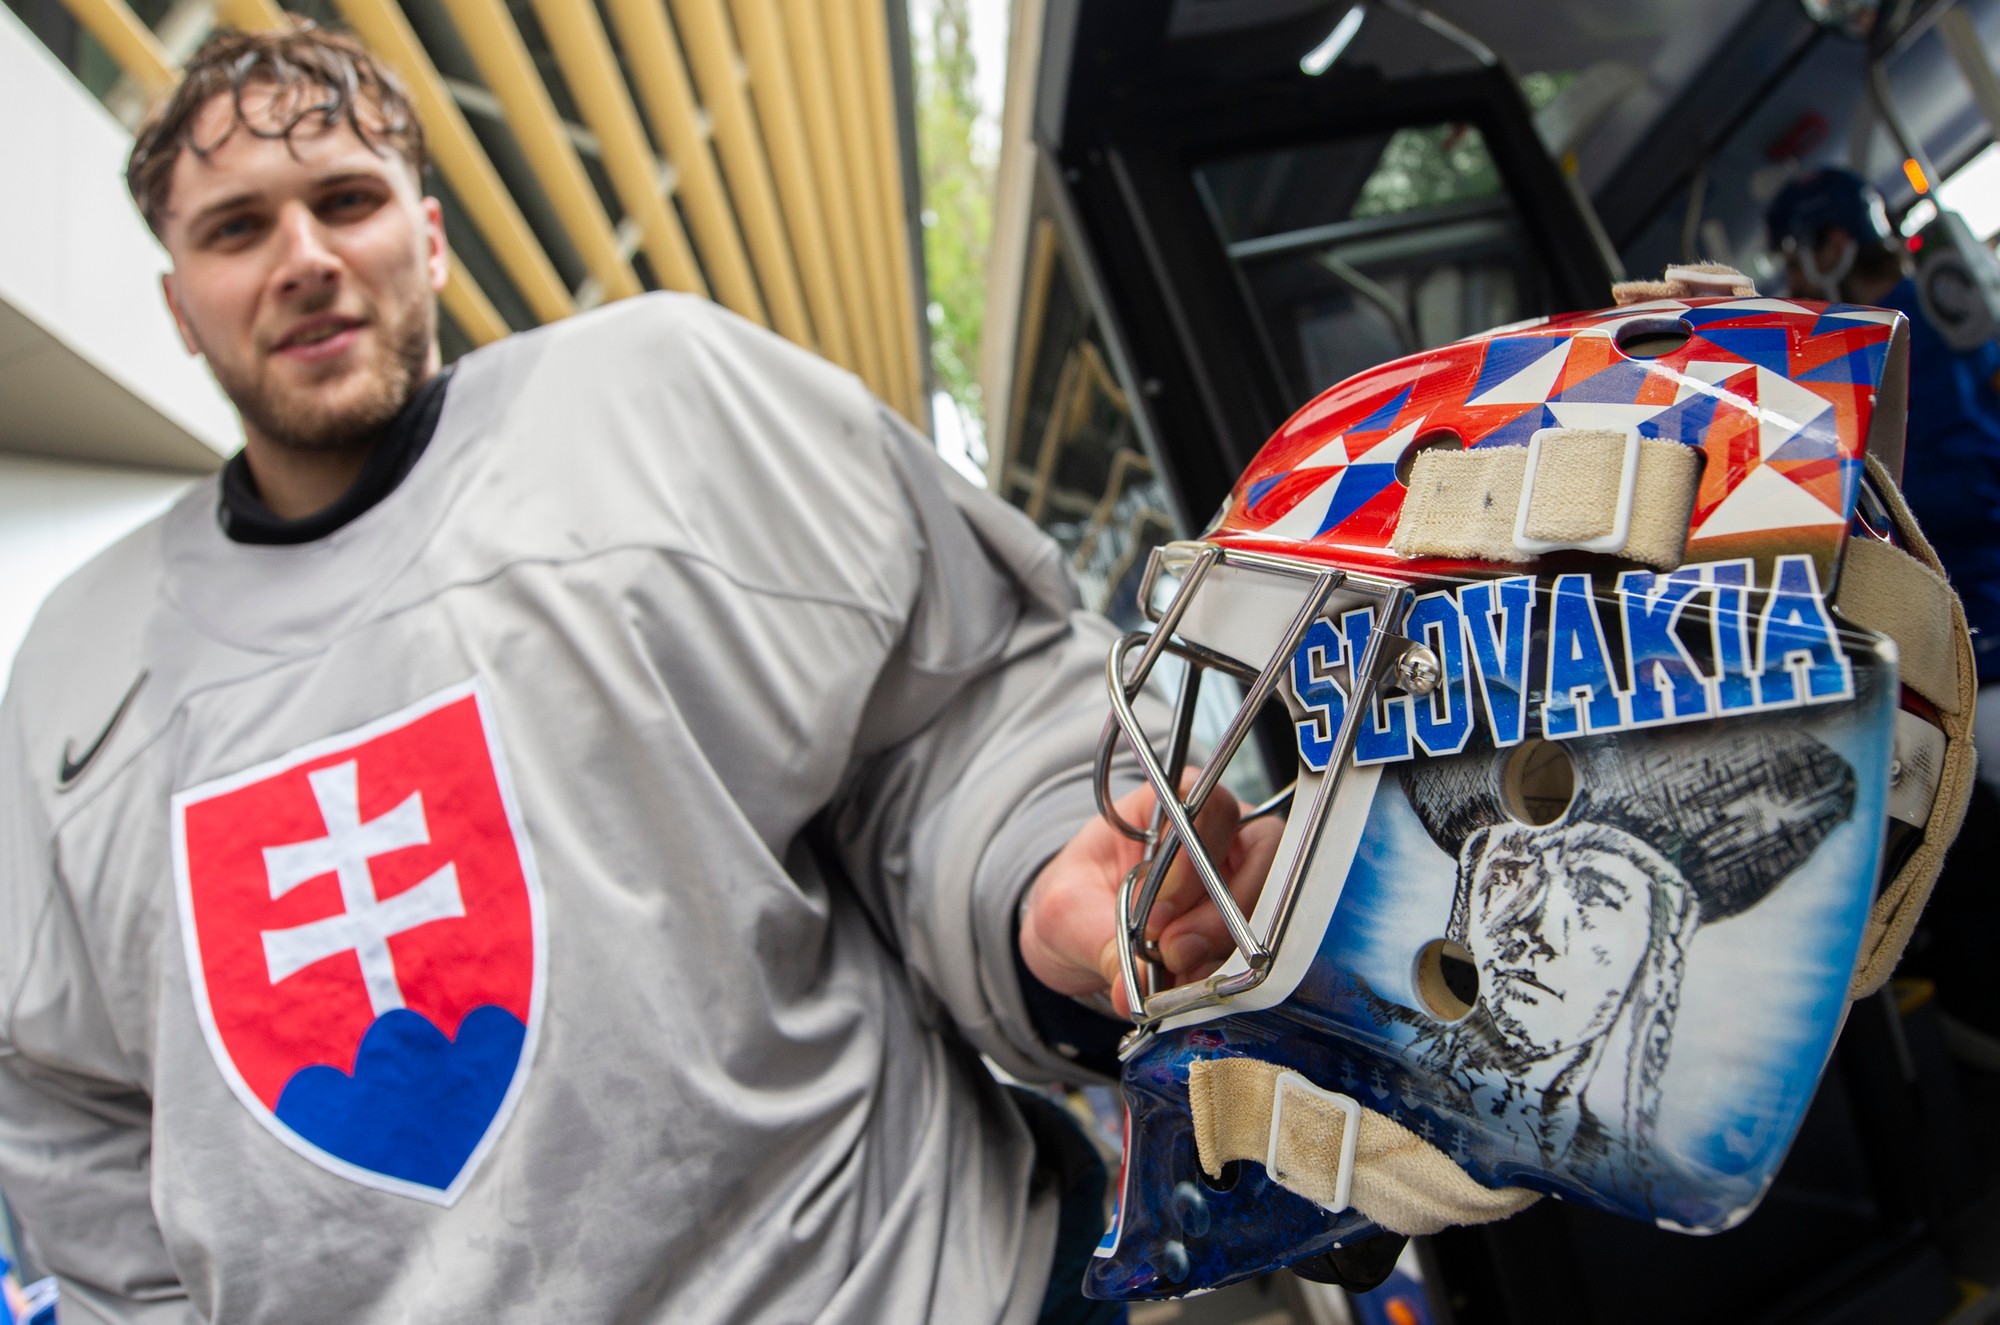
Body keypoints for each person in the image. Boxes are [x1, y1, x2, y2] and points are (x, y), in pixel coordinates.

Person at [0, 26, 1277, 1323]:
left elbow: (960, 715)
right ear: (175, 301)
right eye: (235, 230)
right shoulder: (75, 678)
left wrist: (1041, 879)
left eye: (347, 200)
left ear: (428, 236)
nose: (306, 259)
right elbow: (68, 1113)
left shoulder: (665, 407)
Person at [1766, 166, 2000, 1065]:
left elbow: (1931, 494)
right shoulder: (1951, 308)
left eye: (1795, 253)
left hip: (1974, 623)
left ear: (1826, 246)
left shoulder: (1878, 353)